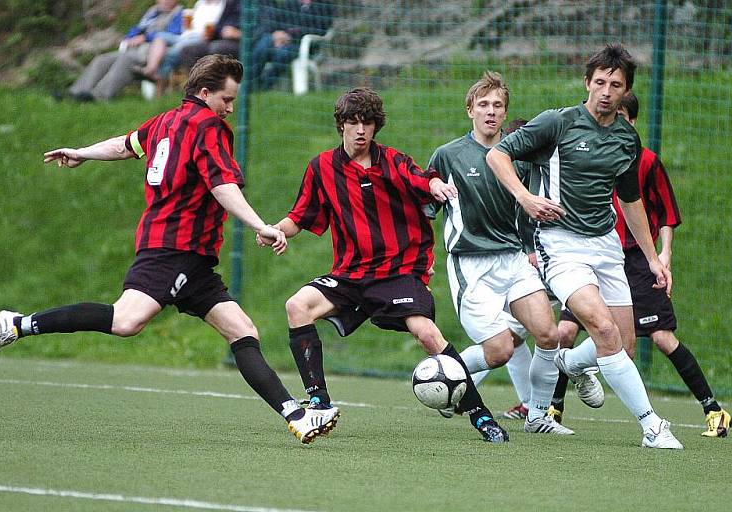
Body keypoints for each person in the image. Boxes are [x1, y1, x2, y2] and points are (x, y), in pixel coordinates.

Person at [0, 55, 338, 445]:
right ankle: (17, 324)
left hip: (193, 256)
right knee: (126, 321)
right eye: (226, 99)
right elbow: (222, 186)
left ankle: (297, 416)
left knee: (242, 331)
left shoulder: (165, 121)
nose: (230, 109)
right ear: (205, 93)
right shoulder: (208, 127)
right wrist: (260, 225)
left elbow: (124, 145)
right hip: (171, 247)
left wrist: (82, 152)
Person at [261, 87, 509, 443]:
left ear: (377, 127)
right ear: (341, 125)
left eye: (368, 122)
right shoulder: (322, 168)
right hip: (349, 275)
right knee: (297, 306)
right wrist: (276, 231)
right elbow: (299, 217)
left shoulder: (392, 161)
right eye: (353, 122)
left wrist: (436, 184)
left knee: (428, 335)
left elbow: (423, 178)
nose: (360, 130)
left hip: (397, 273)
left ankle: (480, 415)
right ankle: (318, 401)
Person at [486, 43, 684, 449]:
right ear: (587, 83)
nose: (606, 91)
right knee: (604, 329)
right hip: (560, 245)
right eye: (599, 82)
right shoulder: (557, 123)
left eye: (615, 84)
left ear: (625, 89)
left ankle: (570, 363)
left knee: (623, 348)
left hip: (606, 245)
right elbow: (498, 156)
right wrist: (526, 197)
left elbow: (631, 201)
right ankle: (652, 426)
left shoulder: (627, 138)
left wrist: (652, 259)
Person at [550, 92, 732, 438]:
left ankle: (713, 408)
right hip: (587, 254)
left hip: (634, 261)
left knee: (660, 338)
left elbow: (665, 212)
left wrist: (662, 255)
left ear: (631, 123)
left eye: (622, 116)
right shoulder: (580, 151)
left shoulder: (645, 160)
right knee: (566, 332)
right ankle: (552, 408)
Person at [426, 73, 572, 435]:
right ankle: (438, 375)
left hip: (512, 259)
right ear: (470, 110)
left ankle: (538, 416)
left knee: (548, 334)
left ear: (505, 113)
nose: (491, 112)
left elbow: (527, 213)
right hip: (471, 266)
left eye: (498, 106)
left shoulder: (515, 157)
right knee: (501, 350)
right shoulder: (448, 155)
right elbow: (422, 210)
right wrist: (421, 266)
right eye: (484, 105)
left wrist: (533, 250)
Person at [67, 0, 184, 102]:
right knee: (102, 59)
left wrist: (146, 37)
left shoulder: (180, 13)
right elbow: (137, 28)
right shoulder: (153, 12)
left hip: (153, 52)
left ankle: (99, 96)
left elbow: (174, 34)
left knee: (125, 60)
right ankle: (76, 93)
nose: (166, 1)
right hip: (134, 49)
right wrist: (130, 38)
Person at [137, 0, 227, 90]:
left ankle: (160, 86)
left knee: (168, 53)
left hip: (201, 38)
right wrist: (186, 27)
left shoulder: (222, 4)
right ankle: (151, 68)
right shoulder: (200, 3)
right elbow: (192, 23)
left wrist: (211, 34)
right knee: (160, 36)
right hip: (186, 35)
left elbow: (219, 26)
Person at [251, 0, 334, 90]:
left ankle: (264, 86)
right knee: (264, 43)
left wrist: (289, 36)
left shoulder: (324, 5)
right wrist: (277, 35)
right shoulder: (289, 3)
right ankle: (251, 83)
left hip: (303, 45)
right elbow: (275, 22)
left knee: (282, 53)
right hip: (279, 41)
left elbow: (319, 30)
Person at [179, 0, 242, 70]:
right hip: (220, 39)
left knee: (217, 48)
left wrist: (237, 33)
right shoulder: (231, 2)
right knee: (188, 50)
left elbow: (255, 34)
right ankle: (198, 80)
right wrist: (211, 34)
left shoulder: (251, 5)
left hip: (241, 42)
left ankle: (220, 80)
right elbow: (220, 26)